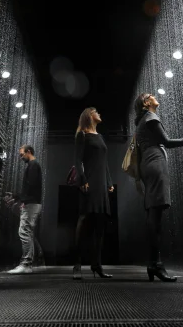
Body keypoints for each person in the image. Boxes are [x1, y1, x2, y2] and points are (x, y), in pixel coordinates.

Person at [134, 93, 183, 282]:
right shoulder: (151, 117)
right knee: (155, 216)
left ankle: (153, 264)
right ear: (146, 103)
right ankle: (156, 264)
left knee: (153, 213)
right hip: (155, 163)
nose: (154, 97)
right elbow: (166, 142)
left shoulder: (142, 121)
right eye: (151, 96)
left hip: (147, 164)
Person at [72, 107, 115, 280]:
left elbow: (104, 163)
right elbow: (77, 160)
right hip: (89, 182)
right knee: (83, 220)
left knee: (100, 224)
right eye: (96, 111)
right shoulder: (82, 135)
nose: (99, 113)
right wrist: (82, 180)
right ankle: (77, 265)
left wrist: (109, 182)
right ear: (89, 116)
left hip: (102, 184)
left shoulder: (100, 137)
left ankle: (96, 265)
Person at [6, 144, 44, 274]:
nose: (21, 158)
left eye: (22, 154)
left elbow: (30, 186)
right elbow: (29, 188)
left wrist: (19, 198)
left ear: (29, 152)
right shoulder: (33, 166)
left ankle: (26, 264)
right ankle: (29, 262)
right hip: (32, 202)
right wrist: (19, 198)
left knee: (24, 232)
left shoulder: (33, 165)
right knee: (27, 232)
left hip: (32, 203)